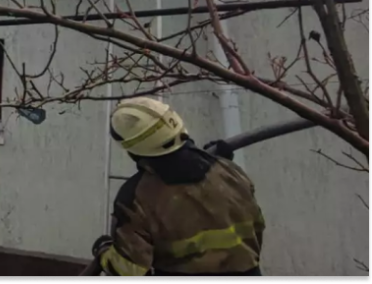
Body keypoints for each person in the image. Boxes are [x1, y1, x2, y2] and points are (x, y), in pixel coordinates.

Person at [92, 97, 265, 278]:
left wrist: (103, 251)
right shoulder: (230, 172)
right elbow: (257, 226)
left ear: (132, 149)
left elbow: (128, 271)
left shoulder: (135, 198)